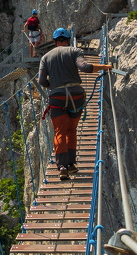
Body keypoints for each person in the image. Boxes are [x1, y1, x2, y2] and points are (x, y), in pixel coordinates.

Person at [37, 28, 112, 178]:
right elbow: (84, 67)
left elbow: (41, 81)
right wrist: (105, 67)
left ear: (54, 41)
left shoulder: (45, 57)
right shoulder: (75, 51)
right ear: (68, 40)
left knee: (60, 131)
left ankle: (62, 167)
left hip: (57, 97)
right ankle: (71, 164)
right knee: (71, 130)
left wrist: (53, 86)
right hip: (76, 95)